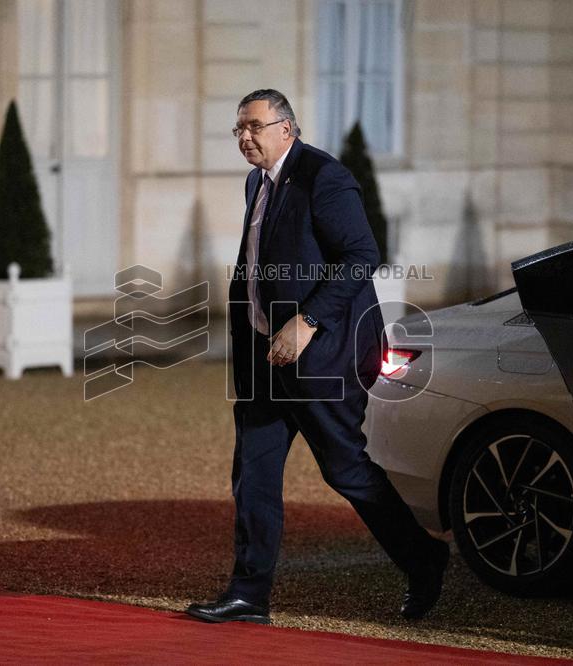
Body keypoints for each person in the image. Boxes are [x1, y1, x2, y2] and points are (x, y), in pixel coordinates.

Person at [185, 89, 448, 625]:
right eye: (238, 128)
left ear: (287, 128)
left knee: (346, 469)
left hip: (321, 356)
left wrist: (306, 323)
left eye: (254, 126)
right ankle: (249, 594)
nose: (244, 137)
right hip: (265, 360)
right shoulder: (256, 181)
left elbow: (361, 256)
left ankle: (424, 560)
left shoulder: (323, 177)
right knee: (253, 474)